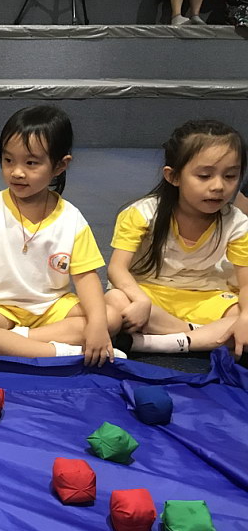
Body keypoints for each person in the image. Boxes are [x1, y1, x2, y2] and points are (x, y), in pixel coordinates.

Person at [0, 105, 122, 365]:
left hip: (52, 307)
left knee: (110, 318)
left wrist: (98, 325)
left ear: (60, 165)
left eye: (31, 163)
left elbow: (86, 278)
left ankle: (17, 341)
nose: (17, 172)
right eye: (8, 160)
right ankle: (64, 353)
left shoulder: (72, 218)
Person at [106, 120, 248, 355]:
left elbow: (245, 284)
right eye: (204, 176)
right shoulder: (142, 213)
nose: (218, 186)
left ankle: (158, 342)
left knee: (243, 317)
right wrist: (141, 301)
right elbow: (116, 269)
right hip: (149, 293)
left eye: (230, 176)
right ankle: (201, 336)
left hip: (206, 297)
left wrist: (245, 317)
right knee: (115, 301)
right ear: (173, 176)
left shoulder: (237, 224)